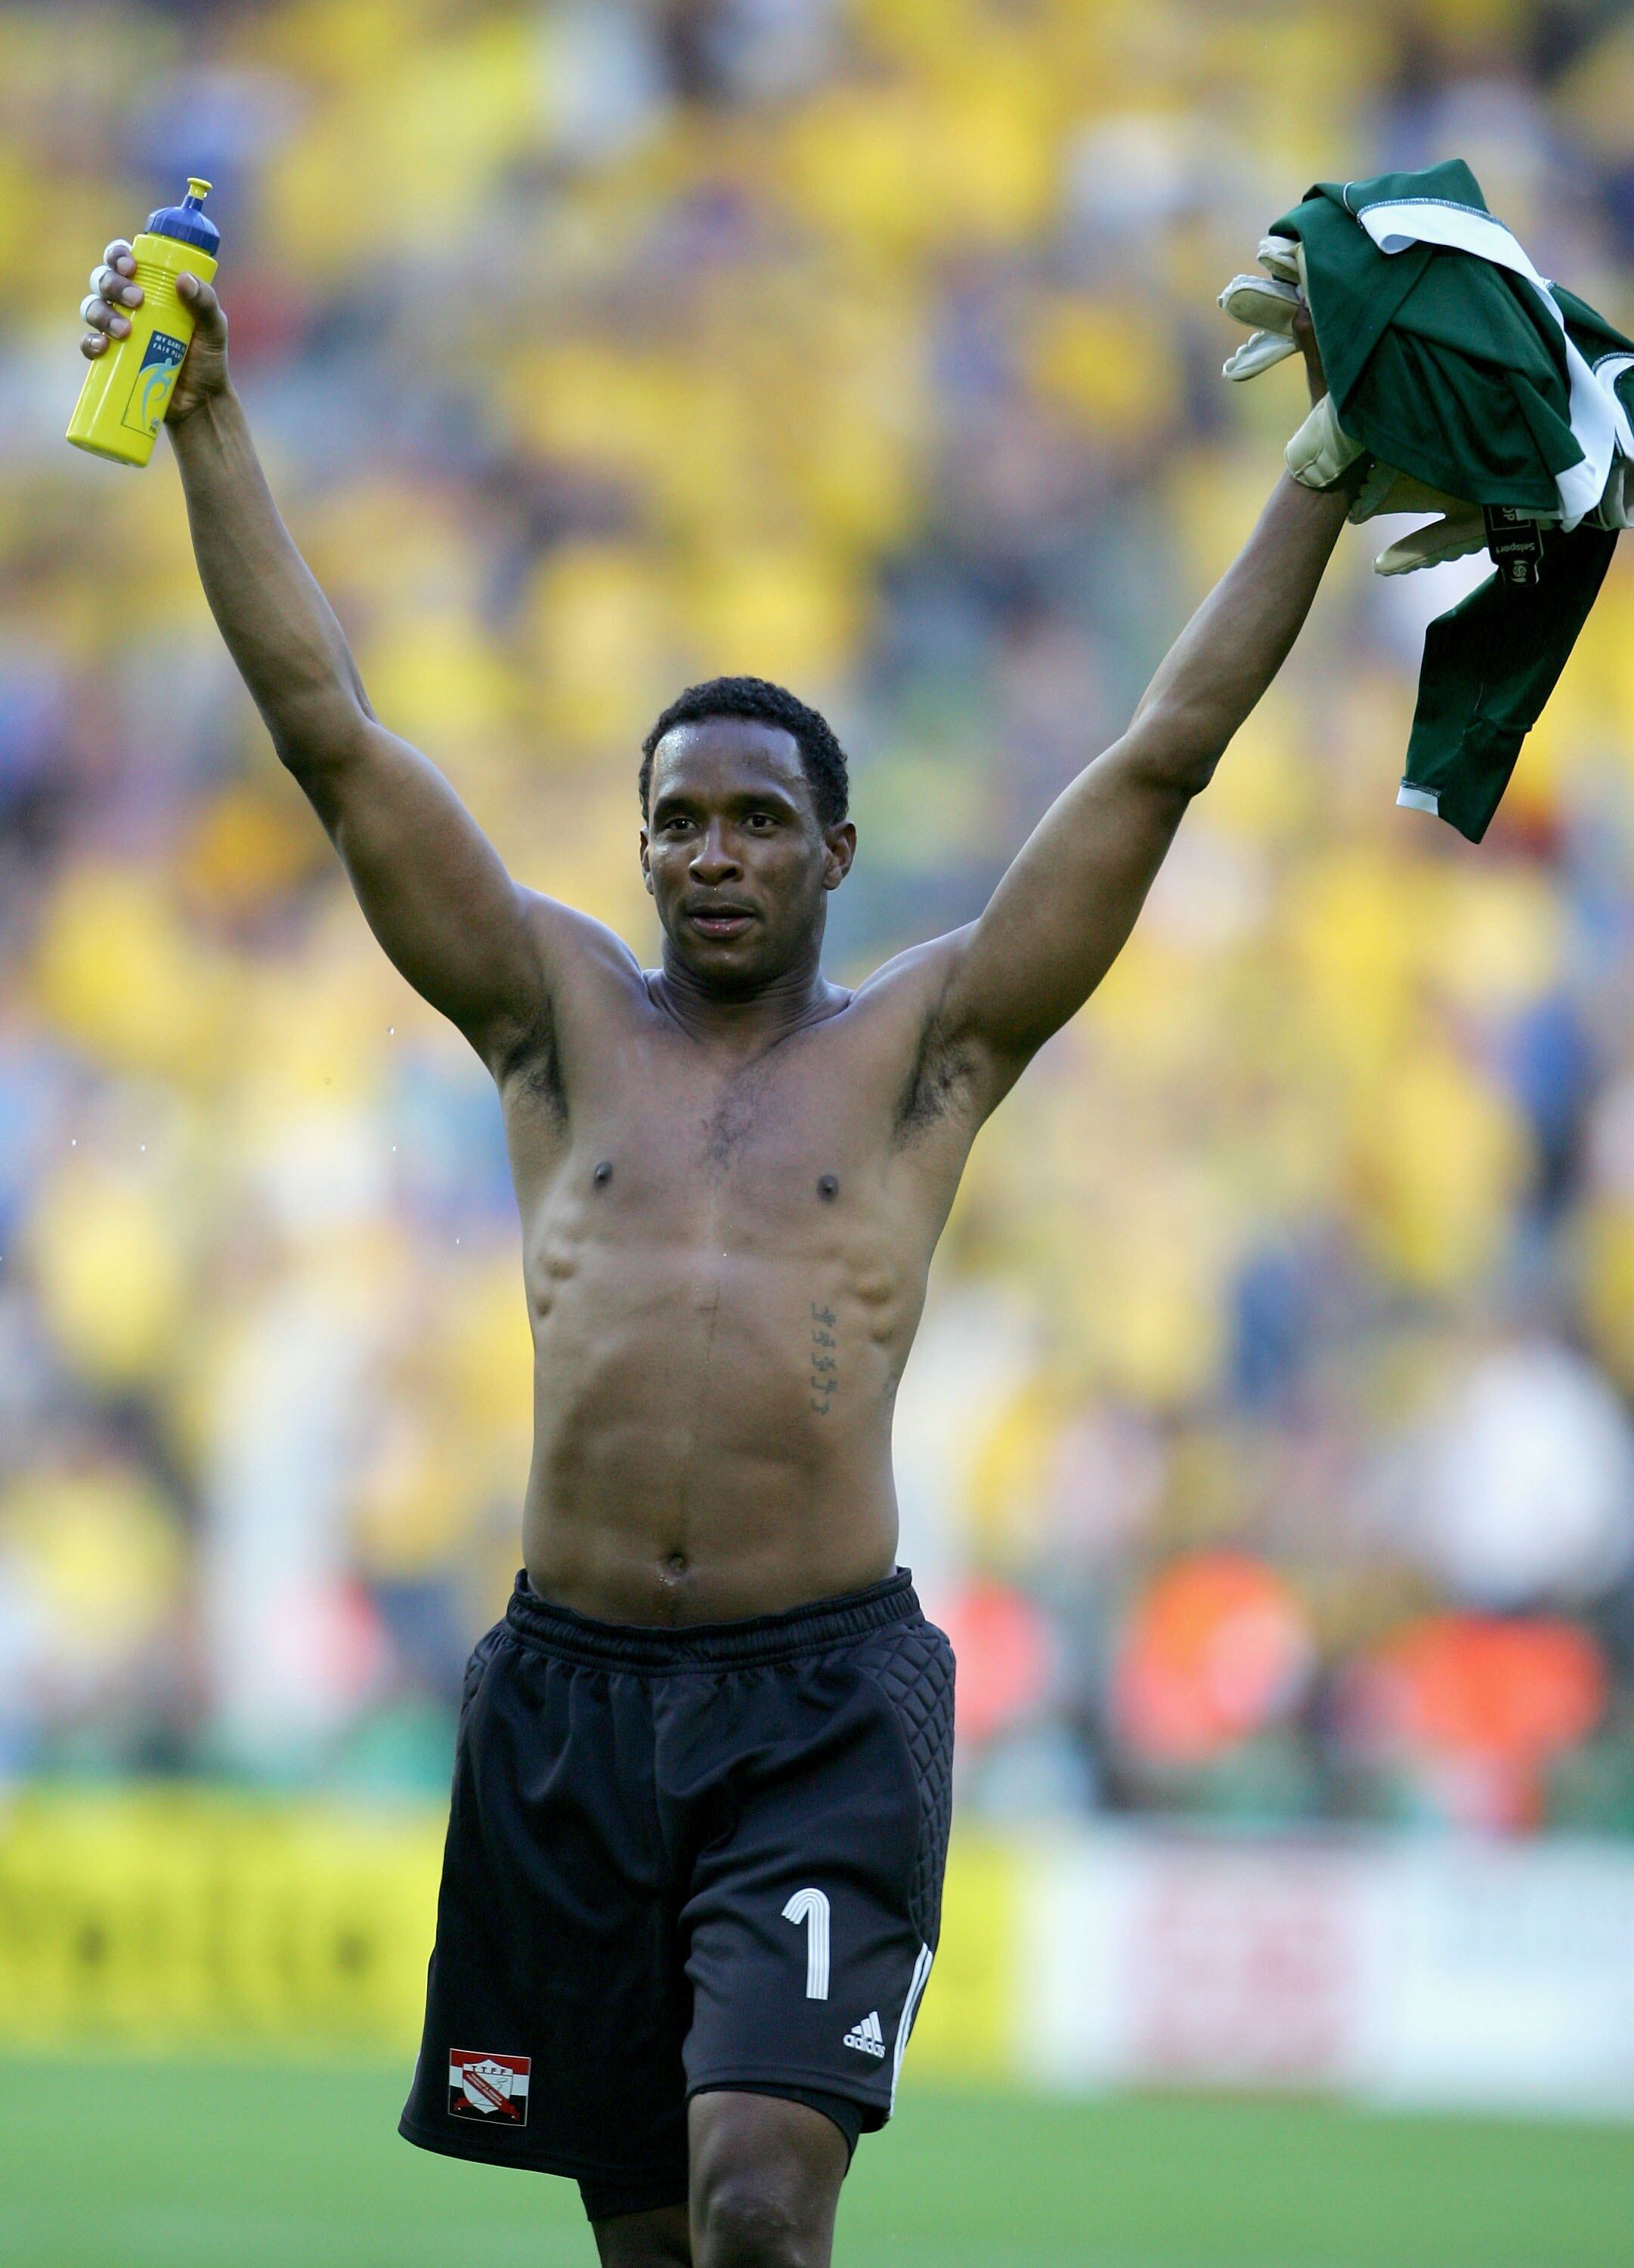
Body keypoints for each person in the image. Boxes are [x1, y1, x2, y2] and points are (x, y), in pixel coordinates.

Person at [79, 243, 1342, 2268]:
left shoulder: (928, 1051)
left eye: (759, 820)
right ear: (639, 842)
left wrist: (1324, 474)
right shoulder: (548, 1025)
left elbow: (1158, 752)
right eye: (678, 822)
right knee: (656, 2242)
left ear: (834, 853)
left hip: (817, 1707)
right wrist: (211, 421)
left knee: (763, 2205)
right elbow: (329, 729)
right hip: (566, 1709)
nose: (714, 855)